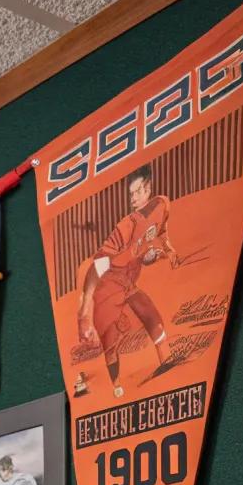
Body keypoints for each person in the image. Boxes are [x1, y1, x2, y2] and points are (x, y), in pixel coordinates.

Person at [77, 163, 180, 395]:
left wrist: (167, 251)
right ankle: (115, 385)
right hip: (108, 288)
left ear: (148, 189)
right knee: (111, 343)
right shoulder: (126, 225)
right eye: (130, 193)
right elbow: (99, 265)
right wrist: (86, 309)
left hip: (128, 283)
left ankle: (168, 363)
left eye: (137, 192)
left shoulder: (162, 204)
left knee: (151, 314)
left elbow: (161, 233)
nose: (133, 198)